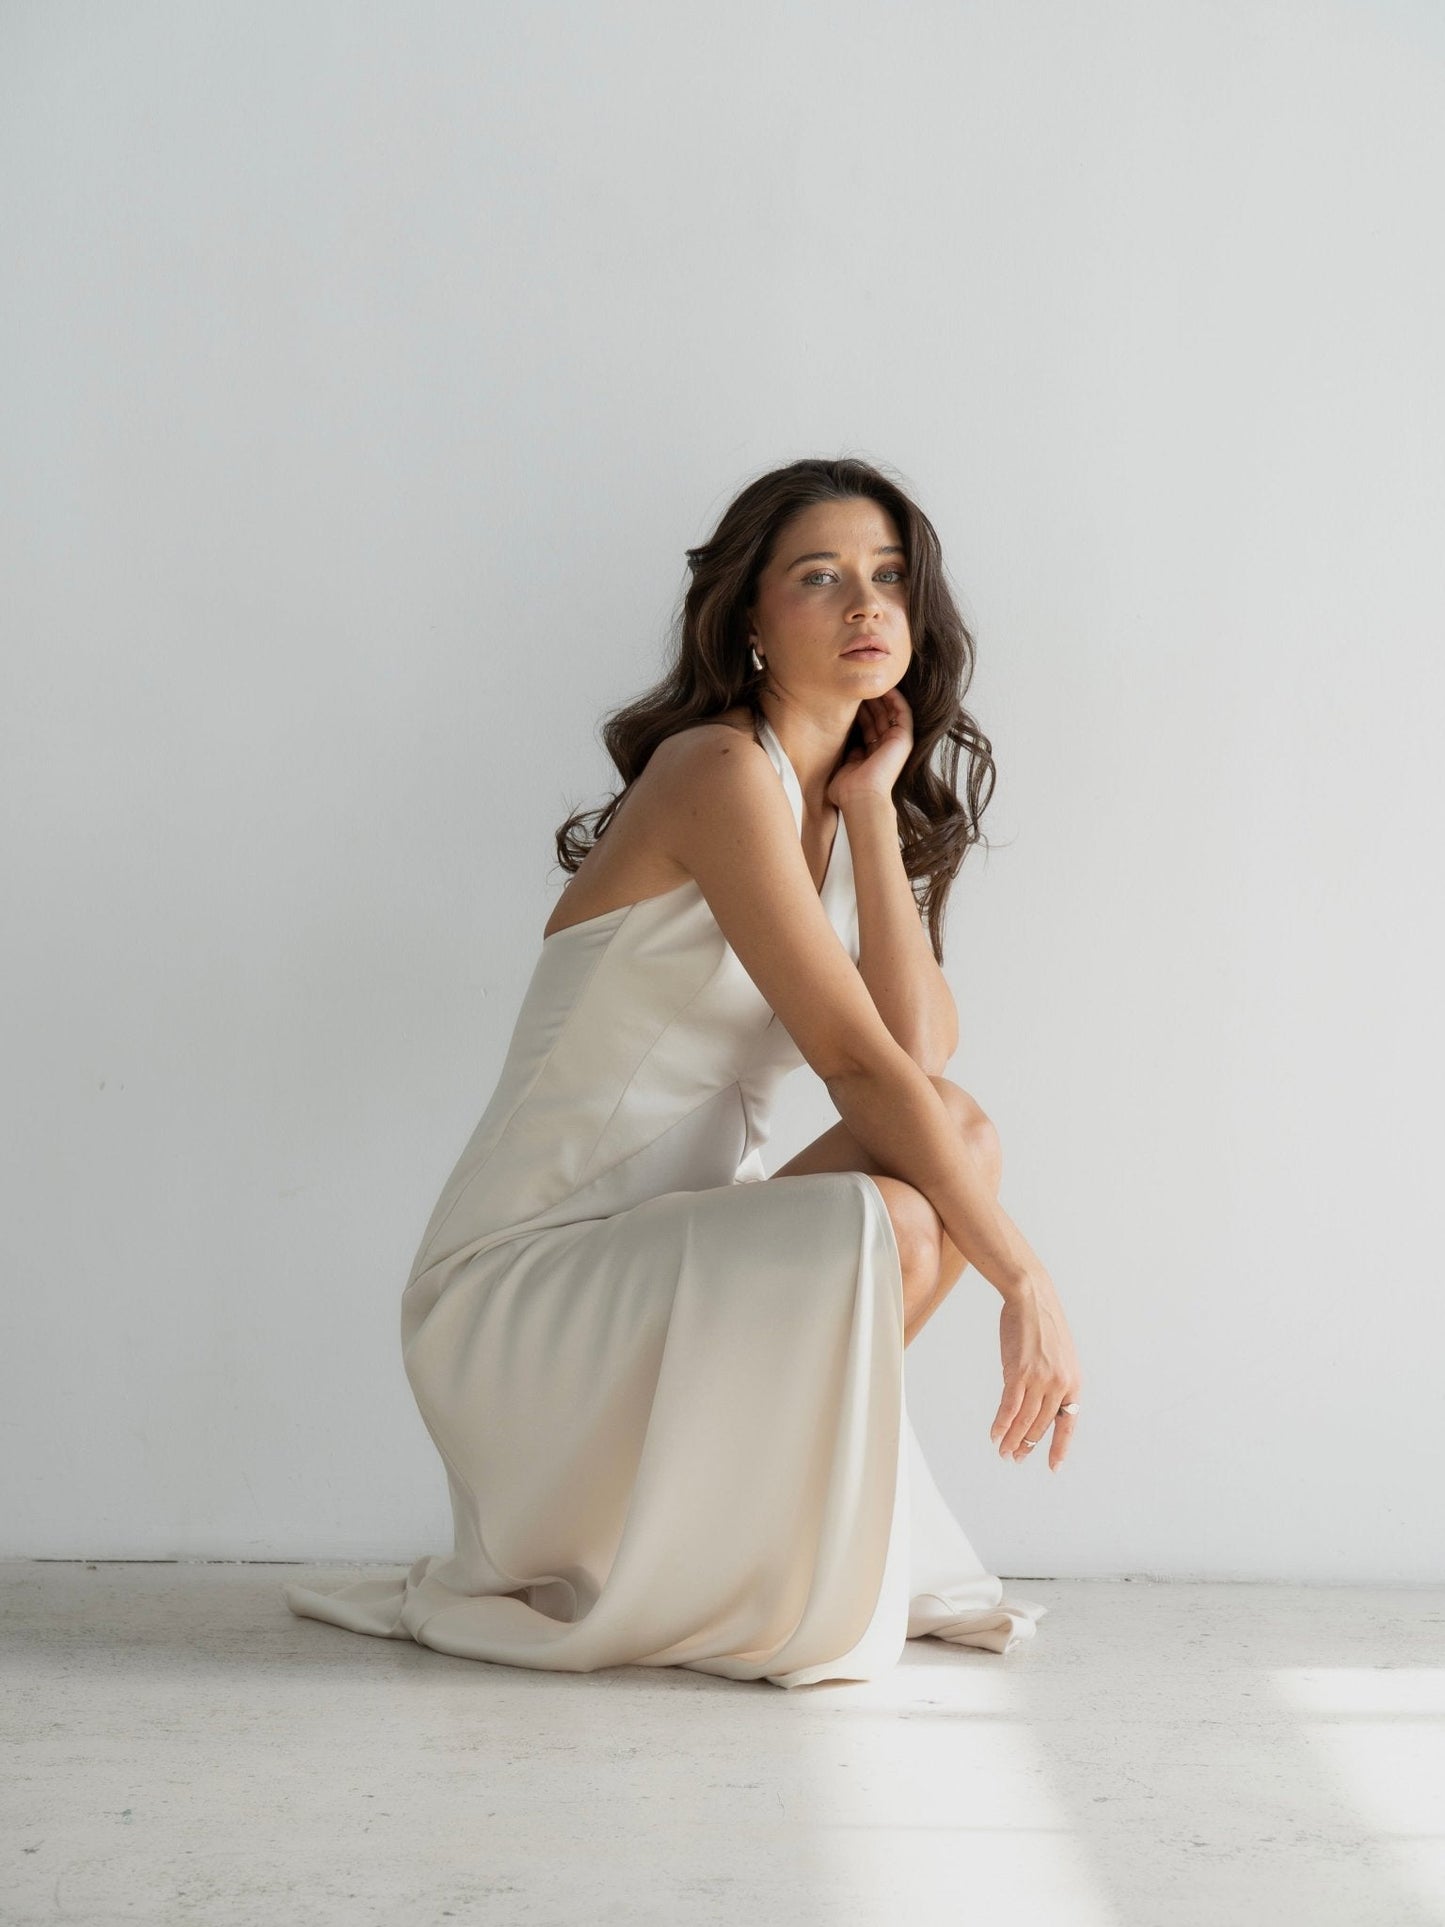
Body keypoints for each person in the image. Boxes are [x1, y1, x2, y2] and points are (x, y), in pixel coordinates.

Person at [283, 455, 1082, 1689]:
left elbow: (916, 1060)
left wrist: (871, 807)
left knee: (955, 1138)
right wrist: (1023, 1278)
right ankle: (711, 1540)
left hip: (661, 1262)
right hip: (522, 1294)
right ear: (749, 620)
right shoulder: (714, 773)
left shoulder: (831, 796)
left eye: (885, 578)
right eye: (818, 578)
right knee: (896, 1212)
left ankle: (727, 1534)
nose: (866, 605)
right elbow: (859, 1070)